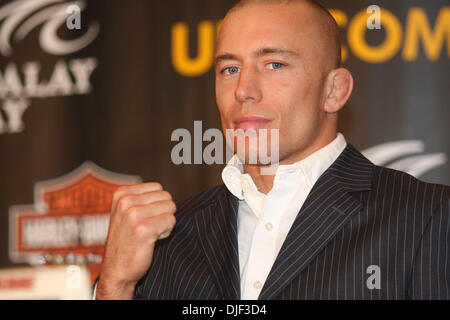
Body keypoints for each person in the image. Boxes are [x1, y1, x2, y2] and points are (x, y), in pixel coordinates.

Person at [95, 0, 449, 300]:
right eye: (230, 69)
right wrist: (115, 285)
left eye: (274, 65)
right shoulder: (170, 237)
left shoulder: (427, 217)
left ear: (334, 91)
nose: (243, 90)